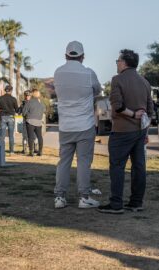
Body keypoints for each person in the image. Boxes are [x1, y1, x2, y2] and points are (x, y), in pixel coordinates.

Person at [98, 49, 153, 214]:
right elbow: (150, 110)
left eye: (118, 60)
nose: (116, 63)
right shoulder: (145, 82)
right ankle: (136, 202)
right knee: (139, 166)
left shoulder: (117, 80)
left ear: (124, 62)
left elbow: (118, 105)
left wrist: (132, 114)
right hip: (140, 131)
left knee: (117, 166)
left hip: (122, 130)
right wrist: (146, 131)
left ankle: (116, 204)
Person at [53, 41, 102, 209]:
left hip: (65, 125)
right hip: (85, 125)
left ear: (66, 55)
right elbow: (98, 91)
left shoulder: (58, 73)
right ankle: (84, 197)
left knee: (63, 162)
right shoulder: (89, 73)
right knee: (83, 162)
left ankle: (60, 197)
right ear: (82, 56)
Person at [0, 85, 19, 153]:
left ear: (5, 90)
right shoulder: (13, 99)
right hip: (11, 117)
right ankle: (11, 151)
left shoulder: (0, 98)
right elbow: (17, 110)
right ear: (11, 91)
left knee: (2, 135)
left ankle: (0, 150)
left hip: (3, 117)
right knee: (11, 135)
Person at [22, 89, 46, 156]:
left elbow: (24, 112)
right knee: (40, 137)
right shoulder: (41, 103)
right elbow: (44, 110)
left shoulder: (29, 102)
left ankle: (31, 152)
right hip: (39, 122)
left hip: (30, 121)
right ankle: (40, 151)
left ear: (32, 94)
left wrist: (26, 116)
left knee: (30, 137)